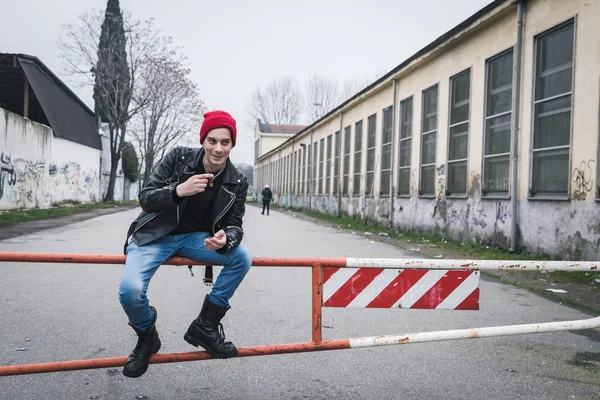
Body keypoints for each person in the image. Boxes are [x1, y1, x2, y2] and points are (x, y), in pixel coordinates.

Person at [119, 110, 252, 378]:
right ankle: (147, 336)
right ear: (203, 140)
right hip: (155, 235)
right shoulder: (178, 157)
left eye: (225, 142)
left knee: (242, 257)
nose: (218, 148)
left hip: (196, 240)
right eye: (212, 140)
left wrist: (226, 238)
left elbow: (235, 224)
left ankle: (206, 325)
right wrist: (178, 191)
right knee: (130, 291)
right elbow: (146, 197)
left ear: (232, 144)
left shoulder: (237, 180)